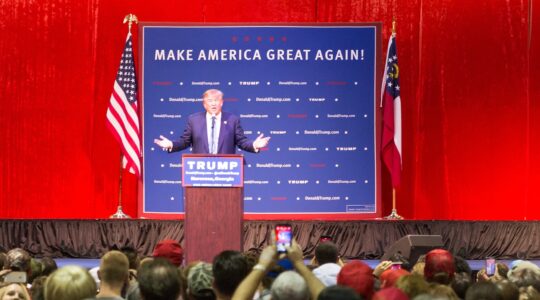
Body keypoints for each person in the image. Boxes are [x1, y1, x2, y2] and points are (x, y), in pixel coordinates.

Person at [154, 89, 270, 154]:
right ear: (204, 104)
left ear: (222, 103)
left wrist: (254, 145)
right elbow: (185, 141)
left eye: (216, 100)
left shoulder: (232, 120)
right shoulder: (194, 120)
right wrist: (171, 145)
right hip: (200, 173)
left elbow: (241, 141)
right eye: (210, 101)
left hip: (226, 173)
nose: (213, 103)